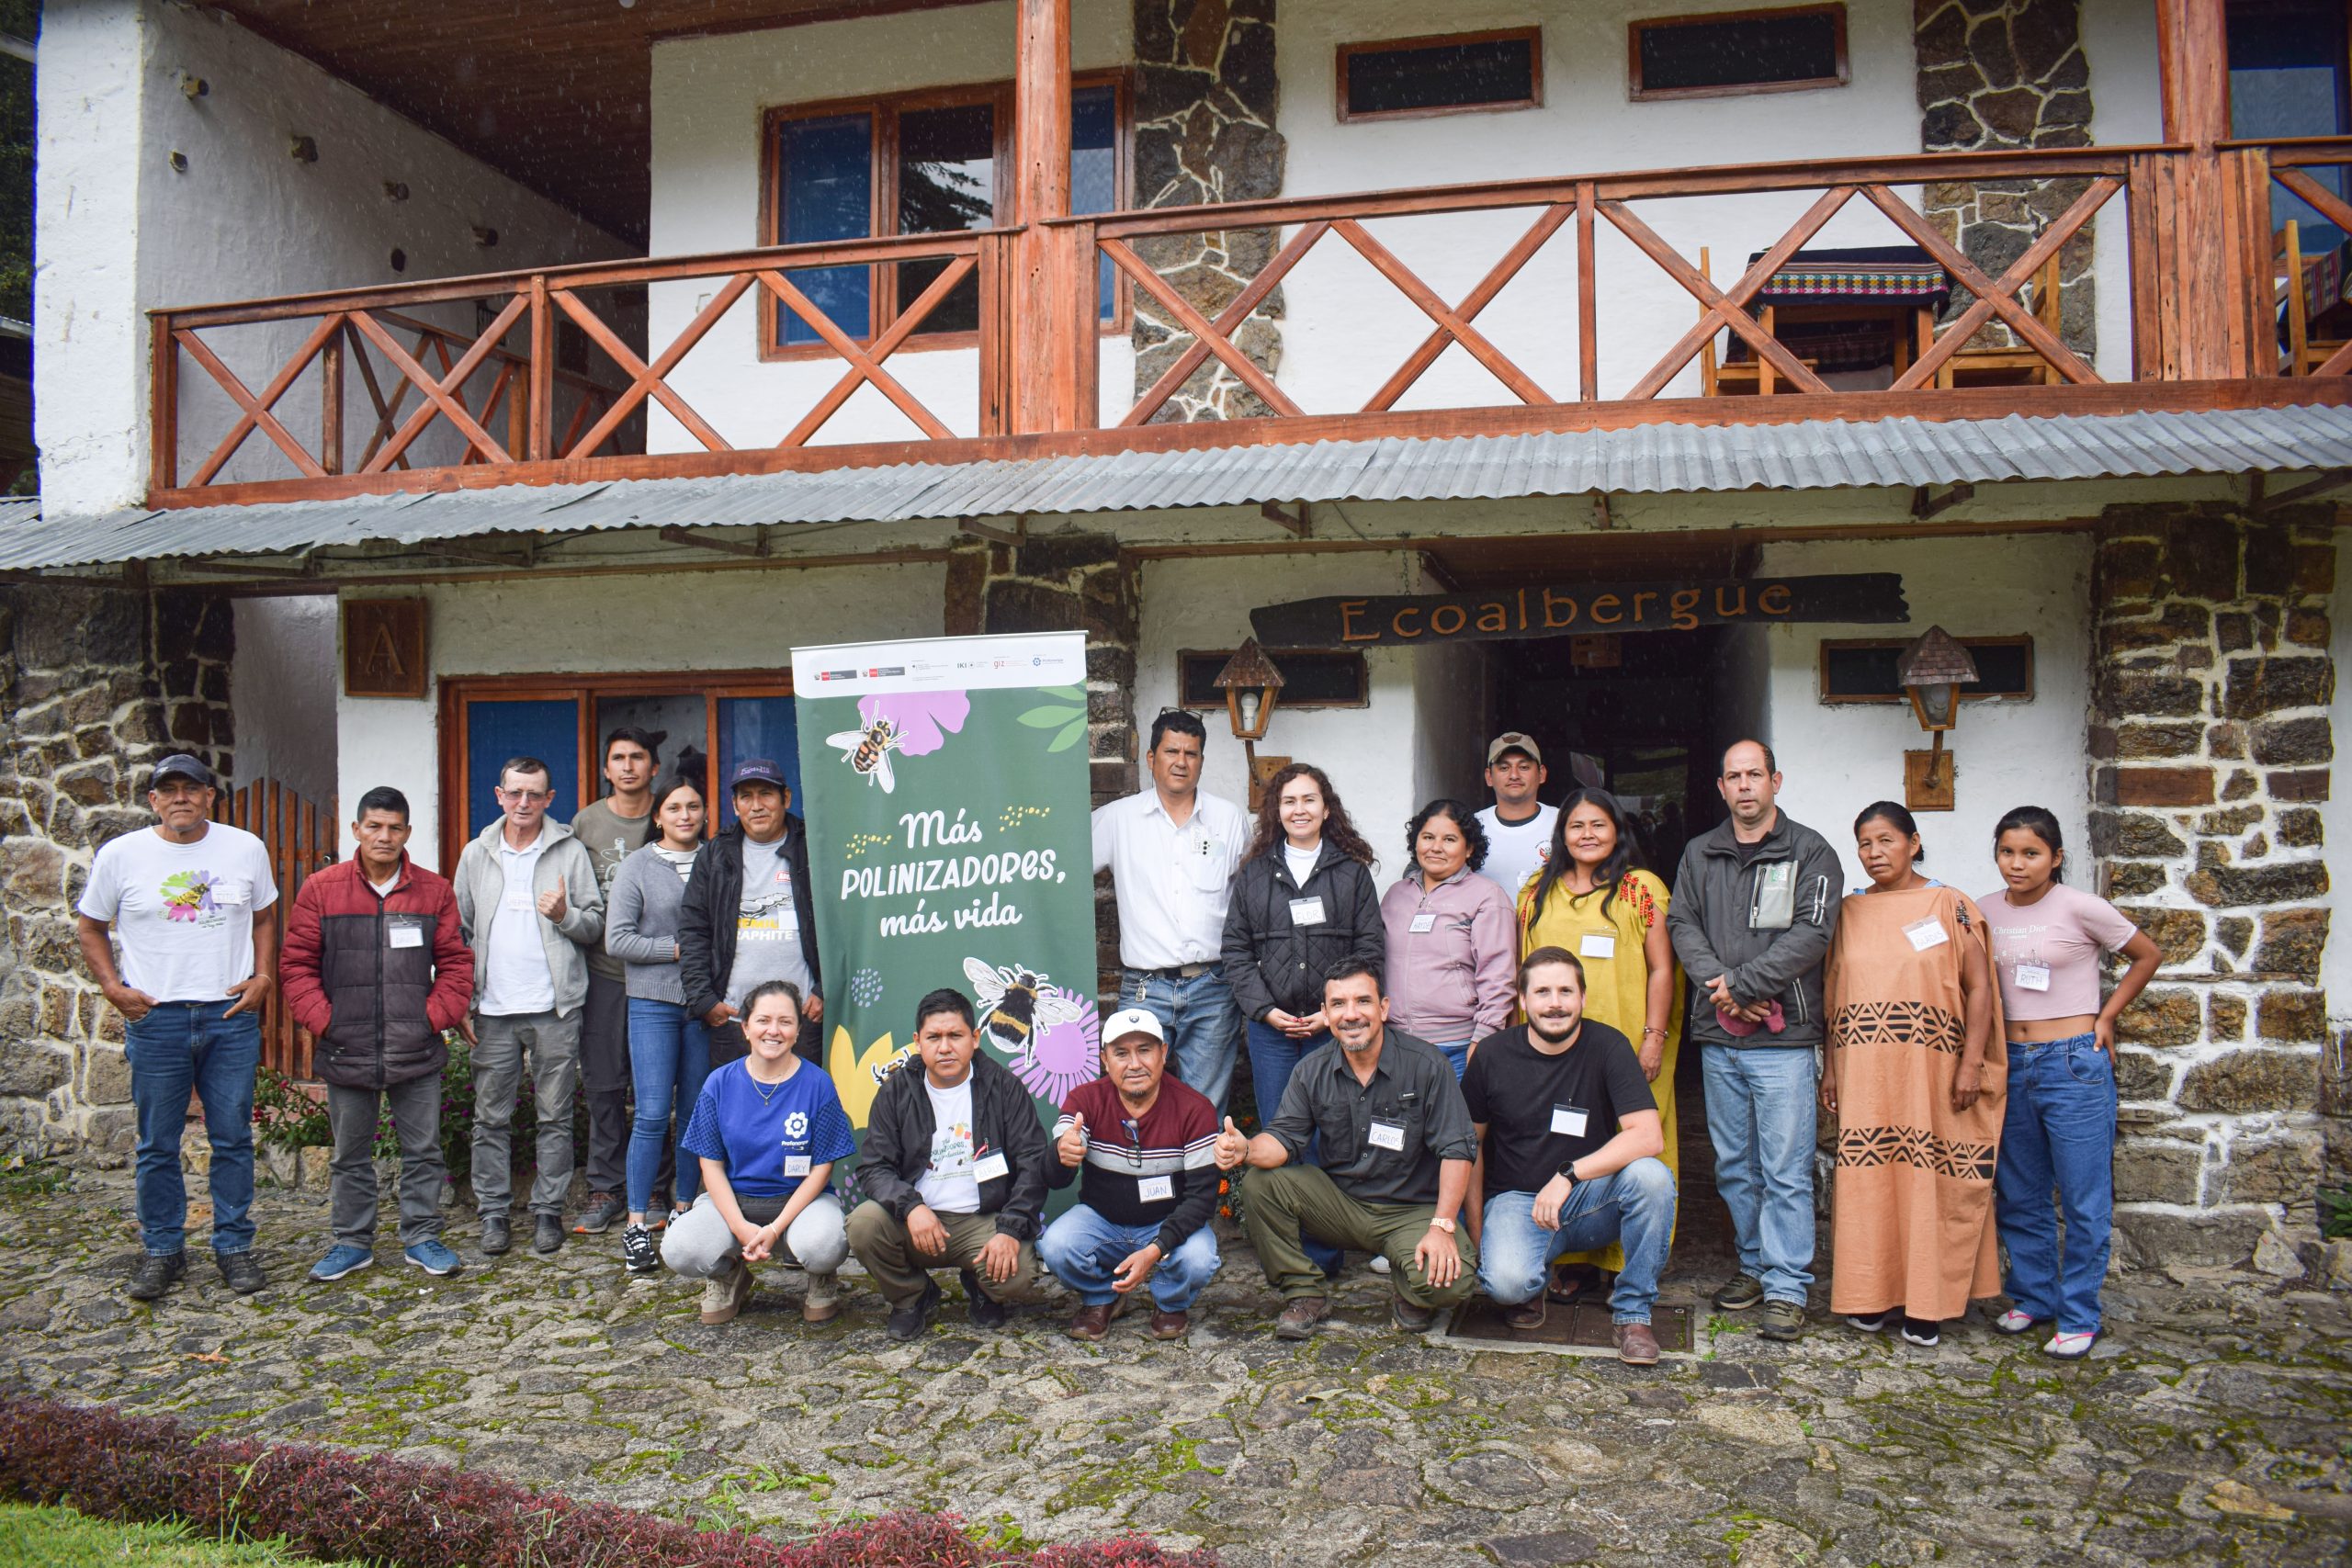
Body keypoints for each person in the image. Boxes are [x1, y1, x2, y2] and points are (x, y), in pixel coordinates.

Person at [74, 755, 279, 1302]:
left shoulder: (245, 848)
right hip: (156, 1016)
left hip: (229, 1015)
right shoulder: (121, 856)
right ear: (153, 801)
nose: (181, 798)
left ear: (211, 796)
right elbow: (89, 926)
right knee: (157, 1144)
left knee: (232, 1137)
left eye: (192, 788)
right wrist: (113, 988)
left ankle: (233, 1245)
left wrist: (263, 976)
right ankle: (163, 1249)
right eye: (169, 790)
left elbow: (263, 917)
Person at [1665, 739, 1841, 1343]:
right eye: (1734, 776)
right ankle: (1753, 1264)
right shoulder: (1699, 852)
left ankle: (1788, 1285)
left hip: (1784, 1038)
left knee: (1786, 1167)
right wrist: (1723, 989)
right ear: (1721, 787)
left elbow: (1812, 933)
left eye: (1755, 774)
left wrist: (1742, 983)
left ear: (1776, 780)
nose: (1745, 785)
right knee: (1736, 1164)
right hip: (1719, 1036)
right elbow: (1681, 923)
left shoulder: (1810, 850)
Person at [1820, 802, 2005, 1349]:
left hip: (1932, 1073)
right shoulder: (1849, 912)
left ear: (1914, 842)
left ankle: (1928, 1302)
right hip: (1866, 1074)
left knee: (1928, 1180)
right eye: (1864, 844)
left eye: (1886, 841)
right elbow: (1834, 996)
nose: (1874, 853)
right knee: (1871, 1183)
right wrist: (1831, 1068)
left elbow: (1980, 991)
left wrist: (1971, 1062)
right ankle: (1870, 1295)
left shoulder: (1950, 905)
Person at [1214, 961, 1478, 1338]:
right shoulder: (1311, 1070)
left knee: (1450, 1284)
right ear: (1325, 1013)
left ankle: (1411, 1293)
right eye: (1338, 1004)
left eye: (1363, 1001)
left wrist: (1442, 1226)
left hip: (1410, 1211)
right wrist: (1246, 1148)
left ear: (1384, 1008)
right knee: (1260, 1184)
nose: (1351, 1014)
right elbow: (1284, 1139)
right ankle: (1305, 1293)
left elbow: (1457, 1149)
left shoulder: (1426, 1065)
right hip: (1341, 1205)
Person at [1982, 806, 2161, 1360]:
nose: (2017, 864)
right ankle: (2034, 1296)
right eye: (2007, 852)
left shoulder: (2082, 907)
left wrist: (2106, 1018)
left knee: (2083, 1198)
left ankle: (2080, 1312)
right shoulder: (1983, 911)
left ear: (2056, 858)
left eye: (2031, 853)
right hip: (2010, 1061)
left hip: (2073, 1064)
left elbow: (2146, 954)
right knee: (2020, 1191)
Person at [281, 786, 475, 1284]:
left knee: (424, 1151)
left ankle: (423, 1237)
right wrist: (327, 1021)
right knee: (350, 1155)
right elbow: (297, 967)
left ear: (408, 833)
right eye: (374, 826)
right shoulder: (321, 889)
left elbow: (456, 964)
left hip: (417, 1047)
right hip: (347, 1046)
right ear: (357, 830)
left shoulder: (434, 891)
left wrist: (432, 1017)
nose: (384, 836)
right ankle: (351, 1242)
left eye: (394, 828)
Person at [1465, 948, 1677, 1365]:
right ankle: (1535, 1278)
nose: (1555, 1003)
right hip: (1517, 1201)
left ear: (1582, 997)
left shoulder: (1608, 1046)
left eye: (1566, 991)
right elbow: (1467, 1149)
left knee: (1652, 1177)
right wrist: (1478, 1236)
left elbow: (1648, 1136)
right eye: (1542, 991)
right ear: (1523, 1001)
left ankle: (1633, 1314)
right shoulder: (1491, 1055)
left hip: (1587, 1200)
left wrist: (1568, 1176)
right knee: (1506, 1285)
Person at [1517, 787, 1685, 1295]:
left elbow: (1662, 969)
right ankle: (1575, 1255)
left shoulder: (1639, 888)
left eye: (1598, 825)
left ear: (1617, 832)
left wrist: (1654, 1036)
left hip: (1628, 1040)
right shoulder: (1535, 891)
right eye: (1576, 826)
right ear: (1561, 835)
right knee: (1569, 1138)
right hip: (1557, 1045)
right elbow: (1517, 970)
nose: (1587, 835)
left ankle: (1630, 1262)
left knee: (1634, 1147)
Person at [1220, 762, 1384, 1280]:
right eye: (1289, 801)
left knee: (1332, 1134)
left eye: (1309, 800)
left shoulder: (1351, 873)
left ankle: (1325, 1254)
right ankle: (1288, 1256)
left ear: (1326, 808)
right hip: (1271, 1034)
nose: (1299, 810)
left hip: (1331, 1032)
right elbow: (1236, 952)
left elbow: (1371, 950)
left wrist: (1331, 1016)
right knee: (1280, 1137)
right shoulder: (1254, 874)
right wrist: (1266, 1011)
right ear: (1277, 811)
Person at [453, 755, 605, 1258]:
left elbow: (594, 925)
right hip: (493, 1011)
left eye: (534, 794)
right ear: (499, 795)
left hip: (553, 1009)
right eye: (514, 793)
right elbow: (459, 932)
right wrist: (461, 997)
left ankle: (547, 1212)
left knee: (555, 1117)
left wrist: (564, 915)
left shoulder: (569, 851)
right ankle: (493, 1213)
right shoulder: (477, 853)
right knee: (490, 1118)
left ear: (549, 799)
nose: (524, 803)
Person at [847, 988, 1049, 1341]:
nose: (944, 1047)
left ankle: (981, 1287)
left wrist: (1009, 1230)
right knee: (863, 1225)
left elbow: (1033, 1164)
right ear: (917, 1041)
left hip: (981, 1219)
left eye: (955, 1036)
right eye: (933, 1037)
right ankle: (912, 1297)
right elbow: (874, 1167)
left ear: (974, 1038)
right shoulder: (896, 1092)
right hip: (918, 1221)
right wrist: (911, 1207)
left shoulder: (1005, 1088)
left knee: (1019, 1276)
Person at [662, 980, 855, 1326]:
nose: (774, 1030)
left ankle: (821, 1276)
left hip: (800, 1203)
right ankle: (730, 1274)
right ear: (746, 1027)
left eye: (786, 1021)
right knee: (679, 1250)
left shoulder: (818, 1084)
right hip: (733, 1202)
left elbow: (823, 1168)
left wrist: (776, 1226)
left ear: (798, 1030)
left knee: (824, 1245)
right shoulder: (718, 1083)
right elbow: (711, 1165)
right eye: (764, 1020)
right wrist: (740, 1227)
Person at [1093, 709, 1251, 1116]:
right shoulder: (1118, 819)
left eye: (1192, 753)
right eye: (1171, 751)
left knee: (1205, 1104)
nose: (1182, 761)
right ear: (1151, 759)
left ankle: (1201, 1180)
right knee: (1136, 1096)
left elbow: (1251, 896)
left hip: (1213, 984)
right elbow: (1062, 868)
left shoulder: (1229, 819)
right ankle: (1142, 1177)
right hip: (1145, 987)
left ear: (1201, 760)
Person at [1040, 1008, 1223, 1341]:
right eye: (1121, 1053)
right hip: (1103, 1220)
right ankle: (1102, 1297)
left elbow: (1203, 1199)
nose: (1134, 1064)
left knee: (1199, 1258)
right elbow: (1056, 1178)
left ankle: (1169, 1301)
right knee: (1055, 1245)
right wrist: (1061, 1154)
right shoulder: (1085, 1100)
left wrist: (1155, 1249)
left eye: (1145, 1050)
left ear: (1163, 1054)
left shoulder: (1195, 1109)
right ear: (1105, 1060)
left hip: (1167, 1221)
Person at [604, 773, 712, 1274]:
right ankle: (636, 1225)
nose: (685, 816)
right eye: (674, 808)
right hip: (652, 1002)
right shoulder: (637, 867)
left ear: (705, 813)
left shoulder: (718, 862)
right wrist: (676, 949)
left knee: (694, 1114)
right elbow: (618, 940)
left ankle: (685, 1210)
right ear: (658, 816)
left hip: (705, 1007)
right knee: (650, 1114)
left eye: (693, 806)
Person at [567, 727, 662, 1235]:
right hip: (604, 975)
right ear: (606, 769)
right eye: (618, 758)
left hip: (663, 977)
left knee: (659, 1090)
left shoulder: (670, 814)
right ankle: (605, 1188)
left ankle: (658, 1189)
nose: (628, 766)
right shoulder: (585, 823)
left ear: (654, 767)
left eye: (638, 758)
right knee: (604, 1086)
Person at [679, 759, 822, 1073]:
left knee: (801, 1113)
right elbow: (693, 929)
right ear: (735, 805)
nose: (756, 805)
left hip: (801, 1018)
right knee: (737, 1116)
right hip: (733, 1019)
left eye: (765, 794)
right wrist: (704, 1000)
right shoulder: (715, 854)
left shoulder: (813, 848)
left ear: (785, 798)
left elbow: (843, 925)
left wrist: (824, 990)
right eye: (746, 796)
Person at [1380, 799, 1515, 1078]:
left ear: (1469, 849)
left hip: (1456, 1047)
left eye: (1450, 839)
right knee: (1399, 1124)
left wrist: (1484, 1037)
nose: (1436, 847)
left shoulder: (1487, 896)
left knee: (1453, 1123)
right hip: (1395, 1043)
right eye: (1428, 837)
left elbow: (1498, 972)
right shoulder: (1396, 894)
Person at [1474, 733, 1558, 902]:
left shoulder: (1565, 822)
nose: (1514, 775)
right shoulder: (1471, 826)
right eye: (1504, 768)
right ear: (1489, 777)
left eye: (1524, 767)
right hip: (1487, 927)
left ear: (1541, 774)